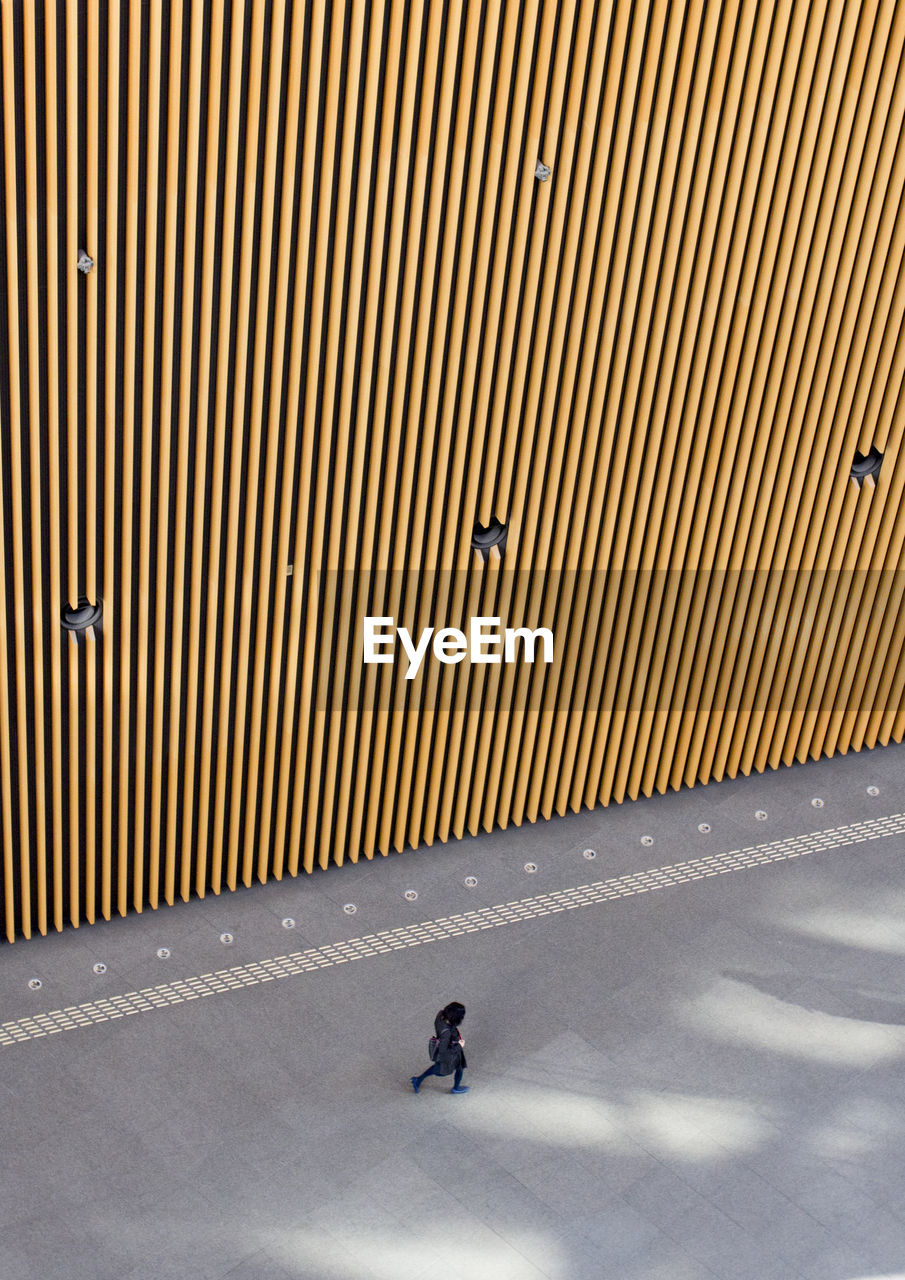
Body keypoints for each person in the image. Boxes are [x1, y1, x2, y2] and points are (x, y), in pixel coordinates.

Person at [411, 1001, 469, 1094]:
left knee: (437, 1068)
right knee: (447, 1069)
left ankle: (418, 1079)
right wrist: (459, 1046)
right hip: (451, 1054)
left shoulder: (440, 1016)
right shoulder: (447, 1033)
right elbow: (443, 1050)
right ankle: (456, 1088)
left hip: (447, 1049)